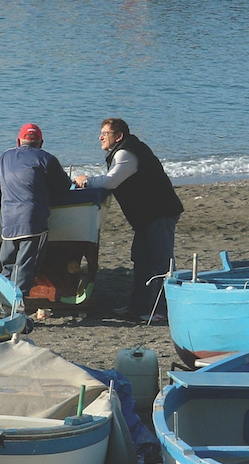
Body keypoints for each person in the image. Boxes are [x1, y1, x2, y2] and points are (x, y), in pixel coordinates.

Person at [74, 118, 183, 322]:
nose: (100, 137)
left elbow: (110, 181)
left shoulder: (127, 153)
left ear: (119, 136)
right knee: (140, 259)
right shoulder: (124, 151)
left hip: (159, 212)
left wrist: (85, 181)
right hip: (146, 215)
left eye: (105, 134)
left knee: (161, 262)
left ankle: (165, 310)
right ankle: (137, 306)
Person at [0, 123, 72, 296]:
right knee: (26, 268)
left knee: (8, 266)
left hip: (8, 222)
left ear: (18, 141)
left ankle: (1, 300)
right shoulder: (46, 159)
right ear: (41, 142)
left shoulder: (4, 158)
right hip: (33, 221)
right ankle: (17, 305)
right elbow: (63, 186)